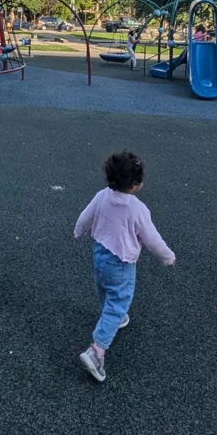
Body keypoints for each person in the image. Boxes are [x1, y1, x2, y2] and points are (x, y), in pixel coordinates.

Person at [74, 150, 176, 383]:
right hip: (121, 263)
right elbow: (153, 240)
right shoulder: (138, 209)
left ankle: (115, 319)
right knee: (119, 301)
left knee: (104, 290)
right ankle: (97, 351)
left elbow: (85, 217)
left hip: (100, 254)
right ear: (136, 184)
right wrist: (168, 257)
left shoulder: (102, 196)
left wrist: (78, 232)